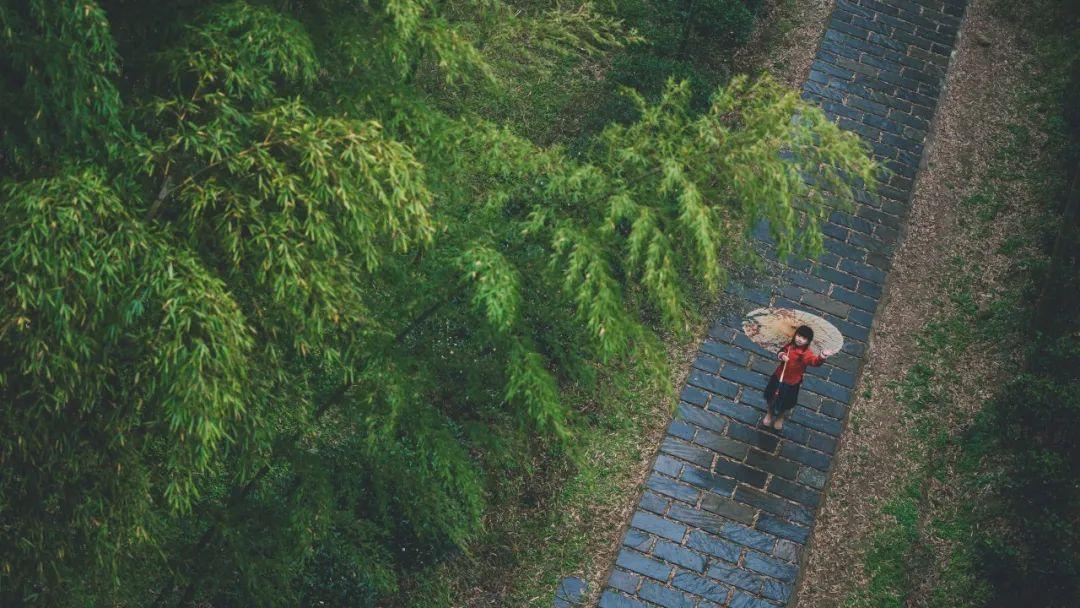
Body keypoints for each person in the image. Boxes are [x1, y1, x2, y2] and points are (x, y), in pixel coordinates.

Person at [761, 325, 837, 430]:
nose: (800, 339)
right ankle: (769, 413)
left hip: (792, 382)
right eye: (799, 336)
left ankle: (780, 417)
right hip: (779, 377)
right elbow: (780, 351)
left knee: (786, 402)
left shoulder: (806, 354)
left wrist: (822, 356)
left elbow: (814, 362)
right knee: (772, 397)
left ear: (808, 341)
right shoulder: (789, 346)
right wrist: (782, 355)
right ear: (795, 334)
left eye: (804, 338)